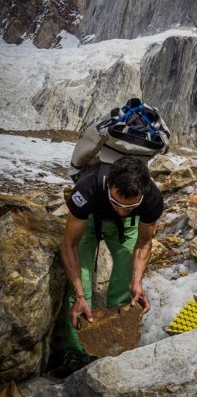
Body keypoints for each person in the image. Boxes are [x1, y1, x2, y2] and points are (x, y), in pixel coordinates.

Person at [52, 156, 163, 377]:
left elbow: (143, 243)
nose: (121, 211)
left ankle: (116, 344)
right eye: (117, 203)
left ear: (142, 193)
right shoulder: (88, 188)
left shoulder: (151, 199)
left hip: (128, 227)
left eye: (129, 206)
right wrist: (80, 295)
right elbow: (70, 245)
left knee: (125, 282)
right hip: (91, 219)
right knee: (79, 283)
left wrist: (137, 281)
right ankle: (77, 353)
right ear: (109, 186)